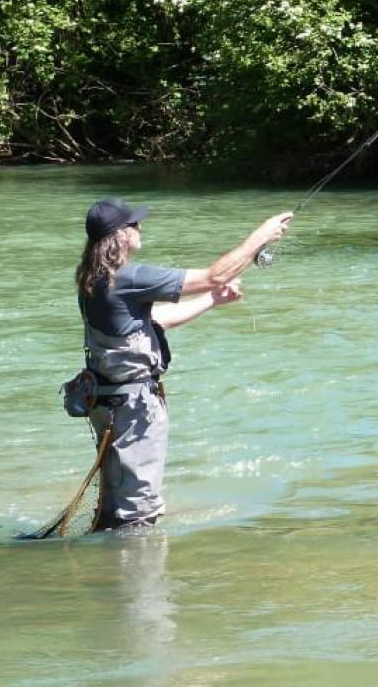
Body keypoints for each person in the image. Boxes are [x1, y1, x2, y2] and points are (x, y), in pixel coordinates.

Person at [75, 196, 292, 531]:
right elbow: (214, 275)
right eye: (134, 224)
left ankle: (105, 571)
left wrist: (212, 300)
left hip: (110, 402)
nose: (140, 227)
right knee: (137, 512)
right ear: (120, 236)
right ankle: (136, 578)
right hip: (132, 409)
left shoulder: (95, 278)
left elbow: (155, 321)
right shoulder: (130, 277)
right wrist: (260, 237)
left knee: (115, 501)